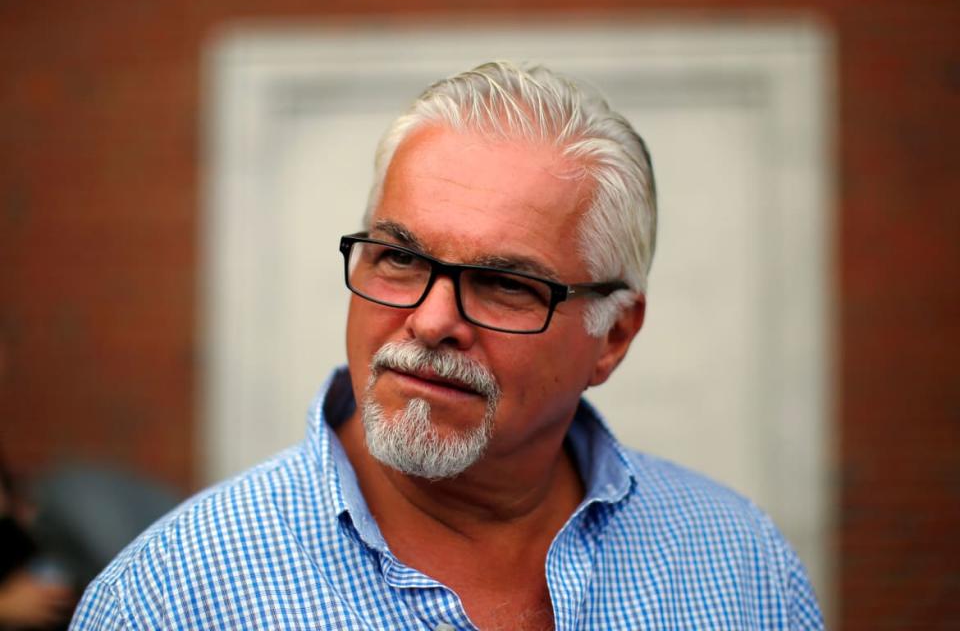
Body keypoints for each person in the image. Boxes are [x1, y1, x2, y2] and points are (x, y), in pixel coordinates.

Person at [70, 61, 823, 630]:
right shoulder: (171, 597)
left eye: (503, 283)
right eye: (399, 258)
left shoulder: (742, 571)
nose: (431, 322)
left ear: (613, 335)